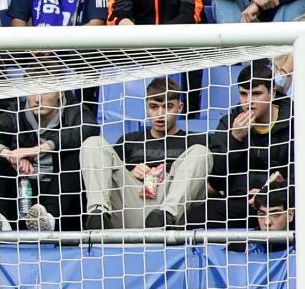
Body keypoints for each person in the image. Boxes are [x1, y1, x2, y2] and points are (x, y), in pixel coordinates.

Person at [79, 77, 212, 231]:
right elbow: (108, 175)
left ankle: (166, 217)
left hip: (171, 202)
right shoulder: (128, 140)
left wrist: (170, 175)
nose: (160, 114)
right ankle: (98, 215)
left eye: (168, 107)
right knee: (93, 143)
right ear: (146, 107)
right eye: (154, 107)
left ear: (180, 107)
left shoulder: (195, 140)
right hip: (130, 201)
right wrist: (130, 171)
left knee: (200, 153)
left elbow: (212, 188)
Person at [0, 90, 93, 230]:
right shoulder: (16, 112)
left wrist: (37, 149)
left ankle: (49, 219)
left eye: (44, 92)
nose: (37, 100)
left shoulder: (74, 110)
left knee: (77, 152)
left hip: (62, 199)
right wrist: (10, 155)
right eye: (32, 92)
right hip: (23, 190)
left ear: (60, 93)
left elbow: (89, 128)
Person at [204, 61, 291, 229]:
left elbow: (300, 174)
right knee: (195, 218)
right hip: (239, 202)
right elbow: (216, 181)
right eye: (244, 94)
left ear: (272, 93)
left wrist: (271, 192)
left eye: (257, 94)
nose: (249, 101)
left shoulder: (293, 121)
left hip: (278, 204)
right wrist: (235, 138)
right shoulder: (229, 122)